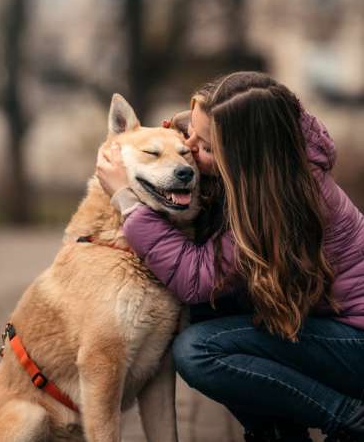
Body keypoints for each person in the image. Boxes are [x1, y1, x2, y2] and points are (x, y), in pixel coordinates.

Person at [96, 72, 364, 442]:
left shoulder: (278, 202)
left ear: (241, 155)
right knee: (211, 309)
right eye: (192, 132)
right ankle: (277, 432)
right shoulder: (276, 158)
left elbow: (196, 279)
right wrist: (185, 129)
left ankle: (350, 418)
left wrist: (127, 201)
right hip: (337, 327)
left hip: (355, 343)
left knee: (199, 350)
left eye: (203, 146)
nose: (189, 148)